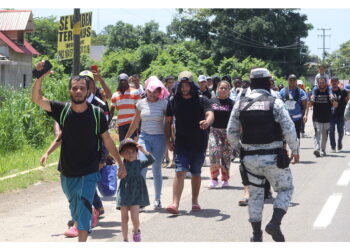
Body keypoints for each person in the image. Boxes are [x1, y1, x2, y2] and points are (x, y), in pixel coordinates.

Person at [31, 61, 126, 242]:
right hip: (67, 172)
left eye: (82, 88)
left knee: (83, 211)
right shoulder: (62, 110)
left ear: (88, 91)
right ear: (70, 91)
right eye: (75, 88)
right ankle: (84, 217)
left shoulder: (97, 113)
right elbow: (37, 99)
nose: (78, 91)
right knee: (75, 207)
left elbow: (107, 140)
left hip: (89, 172)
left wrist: (120, 163)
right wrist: (40, 77)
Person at [227, 68, 299, 242]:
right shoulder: (275, 102)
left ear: (251, 83)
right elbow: (289, 128)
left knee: (256, 195)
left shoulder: (240, 103)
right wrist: (295, 150)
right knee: (285, 189)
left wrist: (240, 149)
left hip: (249, 159)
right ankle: (274, 223)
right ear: (268, 82)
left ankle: (256, 235)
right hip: (273, 157)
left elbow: (231, 132)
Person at [165, 71, 214, 214]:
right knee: (180, 171)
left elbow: (210, 113)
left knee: (196, 172)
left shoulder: (201, 99)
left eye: (187, 86)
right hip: (181, 142)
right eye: (182, 86)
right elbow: (167, 122)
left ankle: (195, 202)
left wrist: (207, 122)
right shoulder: (173, 101)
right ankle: (175, 204)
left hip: (199, 142)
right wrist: (167, 140)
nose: (184, 89)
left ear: (192, 86)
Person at [125, 77, 169, 209]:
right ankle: (141, 200)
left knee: (156, 168)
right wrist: (127, 137)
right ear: (146, 90)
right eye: (150, 91)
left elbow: (168, 123)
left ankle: (157, 199)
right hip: (144, 138)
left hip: (160, 138)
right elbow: (135, 121)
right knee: (142, 168)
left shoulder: (164, 104)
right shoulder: (140, 103)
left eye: (156, 91)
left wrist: (170, 139)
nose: (153, 94)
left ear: (160, 92)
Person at [117, 138, 155, 242]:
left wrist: (143, 150)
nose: (130, 154)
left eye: (133, 151)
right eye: (127, 152)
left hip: (136, 193)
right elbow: (119, 176)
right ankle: (125, 239)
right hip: (124, 193)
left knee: (135, 218)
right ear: (122, 154)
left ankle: (136, 229)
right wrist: (120, 174)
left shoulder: (139, 163)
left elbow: (152, 160)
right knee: (124, 218)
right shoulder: (122, 164)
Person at [208, 80, 234, 188]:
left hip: (228, 132)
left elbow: (235, 119)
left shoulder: (232, 103)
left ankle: (225, 179)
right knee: (214, 152)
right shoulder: (212, 101)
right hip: (214, 131)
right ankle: (214, 178)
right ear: (217, 89)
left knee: (226, 156)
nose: (223, 90)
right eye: (221, 88)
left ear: (229, 90)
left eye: (225, 88)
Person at [304, 77, 335, 157]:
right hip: (316, 116)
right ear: (318, 83)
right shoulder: (315, 90)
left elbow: (332, 97)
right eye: (320, 83)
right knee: (317, 132)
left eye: (323, 82)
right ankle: (317, 149)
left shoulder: (329, 89)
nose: (321, 84)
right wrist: (311, 100)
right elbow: (311, 100)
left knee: (325, 134)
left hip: (327, 116)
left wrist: (332, 99)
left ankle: (323, 149)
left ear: (325, 83)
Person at [110, 73, 141, 141]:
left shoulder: (135, 92)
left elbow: (139, 109)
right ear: (118, 82)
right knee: (123, 145)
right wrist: (108, 123)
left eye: (124, 80)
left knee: (132, 144)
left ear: (127, 81)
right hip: (121, 124)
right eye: (121, 81)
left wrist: (138, 123)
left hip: (132, 123)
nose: (123, 82)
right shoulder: (115, 95)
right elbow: (111, 111)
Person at [279, 74, 308, 140]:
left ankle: (296, 150)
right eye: (290, 80)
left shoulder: (301, 92)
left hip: (297, 119)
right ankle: (285, 149)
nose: (292, 81)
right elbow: (279, 104)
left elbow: (305, 104)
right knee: (284, 138)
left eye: (293, 80)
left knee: (296, 137)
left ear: (296, 81)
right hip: (285, 119)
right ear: (287, 81)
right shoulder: (282, 91)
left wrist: (304, 114)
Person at [329, 77, 349, 152]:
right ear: (331, 82)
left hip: (340, 114)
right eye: (333, 81)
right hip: (331, 115)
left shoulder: (343, 91)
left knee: (340, 131)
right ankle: (333, 146)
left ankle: (339, 142)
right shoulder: (329, 91)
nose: (334, 83)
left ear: (338, 82)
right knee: (331, 131)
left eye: (335, 81)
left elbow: (347, 102)